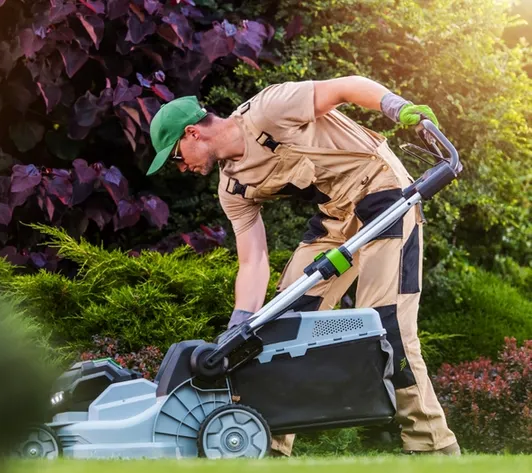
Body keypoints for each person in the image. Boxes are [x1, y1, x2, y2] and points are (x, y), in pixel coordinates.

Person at [146, 76, 461, 457]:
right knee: (280, 327)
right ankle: (269, 446)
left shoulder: (269, 109)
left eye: (176, 157)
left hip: (383, 194)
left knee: (388, 323)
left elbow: (346, 86)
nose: (181, 168)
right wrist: (241, 323)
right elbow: (253, 259)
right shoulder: (232, 187)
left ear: (193, 133)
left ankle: (433, 448)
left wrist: (397, 107)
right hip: (335, 219)